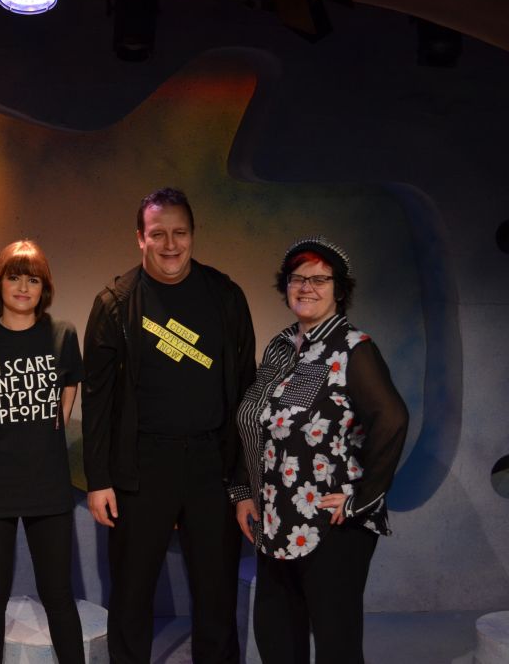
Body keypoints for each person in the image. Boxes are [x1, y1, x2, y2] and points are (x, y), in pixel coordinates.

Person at [83, 187, 256, 663]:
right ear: (139, 238)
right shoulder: (115, 304)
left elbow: (247, 392)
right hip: (141, 465)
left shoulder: (225, 296)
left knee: (217, 597)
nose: (170, 244)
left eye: (180, 232)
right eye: (158, 234)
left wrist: (243, 481)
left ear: (193, 235)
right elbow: (97, 403)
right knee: (133, 597)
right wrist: (99, 480)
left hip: (211, 464)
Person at [232, 236, 407, 664]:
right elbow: (256, 422)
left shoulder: (353, 348)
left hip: (331, 524)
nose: (306, 287)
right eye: (297, 278)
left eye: (319, 279)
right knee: (276, 638)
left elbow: (392, 419)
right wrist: (243, 492)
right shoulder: (280, 346)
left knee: (335, 643)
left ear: (339, 289)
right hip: (276, 518)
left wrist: (362, 498)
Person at [0, 240, 85, 664]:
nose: (23, 287)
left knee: (59, 594)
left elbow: (68, 389)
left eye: (33, 279)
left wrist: (43, 439)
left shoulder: (62, 334)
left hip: (48, 484)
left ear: (44, 287)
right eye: (14, 277)